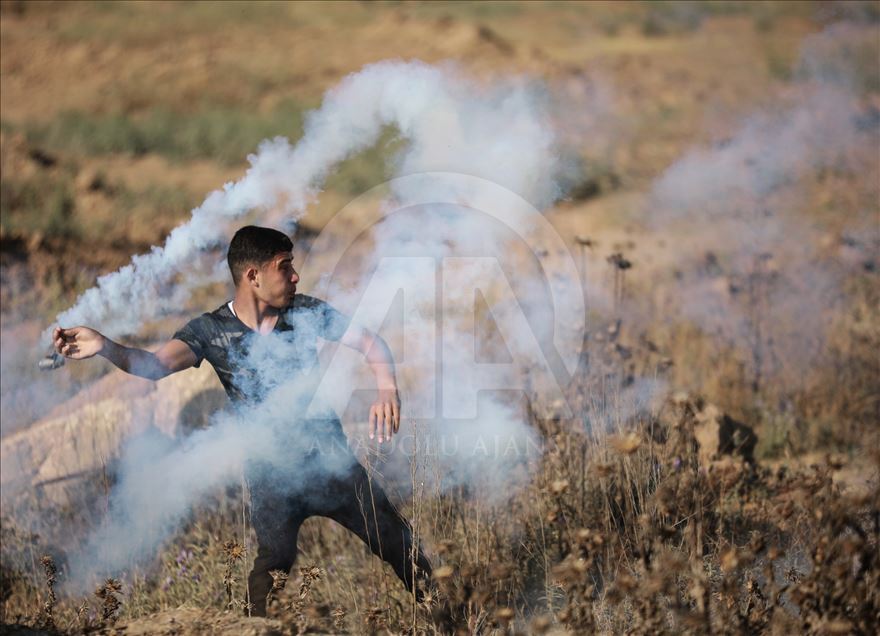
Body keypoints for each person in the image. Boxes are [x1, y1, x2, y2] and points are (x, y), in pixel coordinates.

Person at [53, 225, 433, 616]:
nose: (295, 276)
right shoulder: (210, 331)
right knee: (272, 567)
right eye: (285, 267)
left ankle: (443, 614)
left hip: (329, 460)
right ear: (253, 276)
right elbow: (155, 365)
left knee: (397, 541)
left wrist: (387, 387)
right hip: (270, 472)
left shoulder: (304, 311)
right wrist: (104, 346)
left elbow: (369, 341)